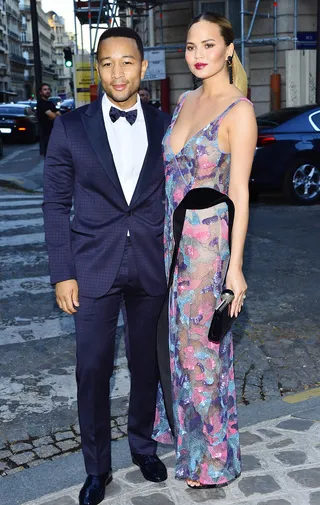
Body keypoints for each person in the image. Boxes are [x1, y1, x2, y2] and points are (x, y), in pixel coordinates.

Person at [42, 27, 171, 505]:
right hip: (91, 268)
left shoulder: (166, 124)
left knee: (146, 365)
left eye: (127, 62)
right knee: (92, 370)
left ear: (143, 67)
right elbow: (54, 204)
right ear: (98, 69)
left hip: (151, 267)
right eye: (108, 63)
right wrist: (62, 272)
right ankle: (97, 470)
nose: (118, 72)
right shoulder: (71, 127)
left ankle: (143, 445)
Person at [153, 12, 257, 489]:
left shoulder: (239, 110)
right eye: (191, 46)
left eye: (208, 45)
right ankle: (182, 433)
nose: (198, 54)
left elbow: (239, 192)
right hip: (170, 243)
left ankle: (211, 459)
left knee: (202, 351)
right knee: (174, 343)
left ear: (228, 49)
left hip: (206, 247)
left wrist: (234, 269)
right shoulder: (186, 100)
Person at [37, 83, 60, 156]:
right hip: (47, 135)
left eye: (48, 89)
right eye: (45, 89)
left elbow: (59, 115)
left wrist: (54, 115)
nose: (47, 91)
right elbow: (54, 116)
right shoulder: (41, 104)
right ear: (41, 92)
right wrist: (54, 115)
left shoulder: (50, 103)